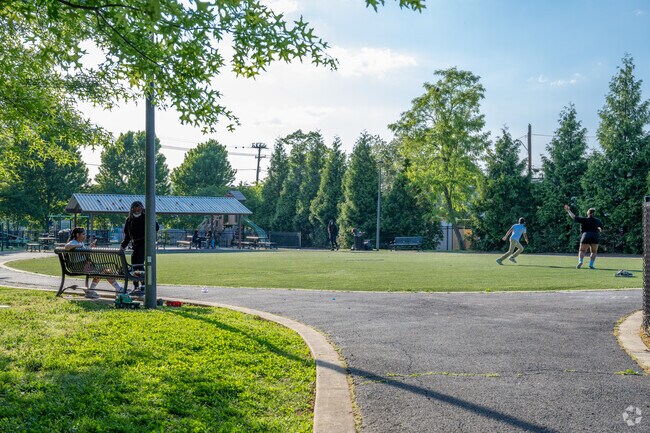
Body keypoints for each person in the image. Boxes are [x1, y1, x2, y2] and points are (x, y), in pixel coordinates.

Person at [65, 227, 124, 298]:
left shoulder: (80, 243)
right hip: (80, 267)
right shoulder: (74, 242)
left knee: (105, 271)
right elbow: (67, 246)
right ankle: (118, 289)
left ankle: (92, 291)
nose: (85, 236)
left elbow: (83, 255)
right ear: (77, 234)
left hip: (83, 266)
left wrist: (89, 248)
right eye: (83, 234)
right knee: (106, 271)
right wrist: (79, 246)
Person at [120, 201, 159, 296]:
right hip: (135, 244)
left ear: (142, 209)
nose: (137, 210)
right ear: (132, 209)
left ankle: (144, 286)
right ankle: (136, 286)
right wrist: (122, 246)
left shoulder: (146, 217)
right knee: (134, 265)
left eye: (139, 208)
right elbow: (127, 236)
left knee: (140, 264)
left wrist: (150, 216)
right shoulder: (129, 220)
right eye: (135, 208)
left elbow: (156, 227)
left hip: (145, 243)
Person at [564, 204, 603, 269]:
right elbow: (601, 229)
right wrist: (598, 229)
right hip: (595, 236)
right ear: (594, 213)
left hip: (586, 235)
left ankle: (580, 261)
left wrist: (568, 210)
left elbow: (574, 217)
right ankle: (591, 265)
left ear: (588, 213)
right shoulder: (598, 221)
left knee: (582, 250)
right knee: (594, 252)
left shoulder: (584, 220)